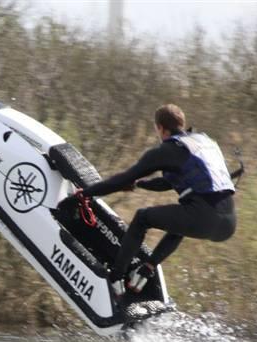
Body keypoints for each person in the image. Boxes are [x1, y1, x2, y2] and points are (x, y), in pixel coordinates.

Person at [63, 104, 237, 297]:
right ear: (182, 123)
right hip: (228, 224)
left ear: (160, 128)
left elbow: (122, 179)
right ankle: (147, 269)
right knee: (180, 219)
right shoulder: (204, 142)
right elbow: (168, 182)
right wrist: (139, 184)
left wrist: (85, 193)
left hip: (203, 215)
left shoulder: (167, 150)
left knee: (142, 218)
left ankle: (115, 278)